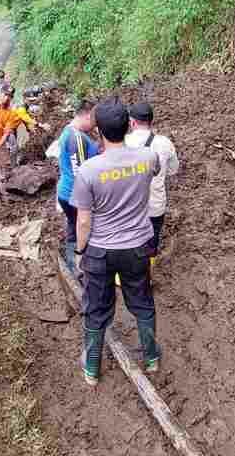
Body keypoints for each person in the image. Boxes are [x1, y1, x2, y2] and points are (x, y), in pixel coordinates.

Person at [71, 100, 161, 385]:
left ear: (98, 132)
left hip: (100, 250)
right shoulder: (148, 157)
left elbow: (83, 221)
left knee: (97, 307)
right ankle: (151, 357)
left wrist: (79, 251)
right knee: (142, 301)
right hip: (137, 246)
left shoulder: (89, 170)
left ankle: (92, 367)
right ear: (128, 126)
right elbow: (155, 174)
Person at [124, 102, 179, 259]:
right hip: (155, 205)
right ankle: (148, 274)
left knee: (128, 243)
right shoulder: (164, 143)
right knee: (151, 244)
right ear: (151, 122)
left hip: (129, 206)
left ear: (132, 122)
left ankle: (122, 278)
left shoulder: (123, 142)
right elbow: (173, 169)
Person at [56, 100, 99, 275]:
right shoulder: (77, 139)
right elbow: (80, 173)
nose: (95, 124)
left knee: (73, 225)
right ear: (87, 115)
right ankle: (80, 266)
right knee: (83, 227)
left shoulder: (69, 131)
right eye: (94, 120)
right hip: (74, 194)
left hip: (66, 192)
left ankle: (72, 262)